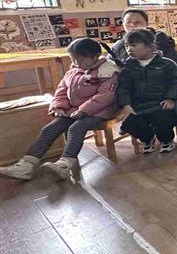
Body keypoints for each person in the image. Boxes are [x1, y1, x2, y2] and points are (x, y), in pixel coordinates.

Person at [1, 38, 119, 181]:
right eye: (73, 59)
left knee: (76, 128)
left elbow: (107, 96)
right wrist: (58, 107)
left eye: (81, 60)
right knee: (49, 129)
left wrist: (83, 110)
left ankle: (64, 164)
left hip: (101, 110)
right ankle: (26, 165)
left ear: (95, 57)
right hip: (74, 110)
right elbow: (62, 90)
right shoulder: (73, 70)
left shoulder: (108, 70)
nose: (76, 63)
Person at [116, 29, 177, 154]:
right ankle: (147, 139)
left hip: (160, 103)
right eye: (127, 46)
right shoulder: (128, 67)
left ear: (150, 46)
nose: (129, 49)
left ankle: (166, 140)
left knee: (163, 120)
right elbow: (123, 88)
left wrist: (170, 98)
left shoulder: (166, 64)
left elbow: (176, 82)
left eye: (134, 45)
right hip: (137, 106)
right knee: (130, 123)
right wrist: (126, 104)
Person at [109, 7, 177, 71]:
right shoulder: (119, 46)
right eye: (128, 22)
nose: (132, 25)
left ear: (146, 24)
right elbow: (110, 66)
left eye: (138, 22)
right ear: (123, 24)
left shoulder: (160, 40)